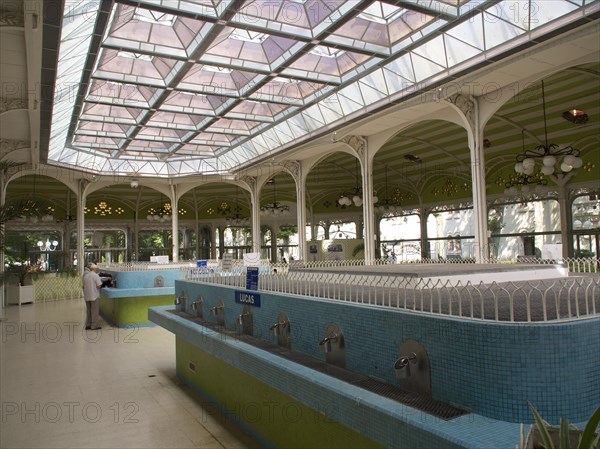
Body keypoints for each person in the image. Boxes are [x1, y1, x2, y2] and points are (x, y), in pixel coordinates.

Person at [82, 263, 103, 330]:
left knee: (89, 311)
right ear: (94, 269)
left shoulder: (85, 275)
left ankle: (88, 325)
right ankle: (94, 326)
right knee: (94, 311)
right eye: (96, 269)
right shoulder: (95, 275)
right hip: (94, 296)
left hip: (87, 295)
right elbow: (99, 285)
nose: (97, 270)